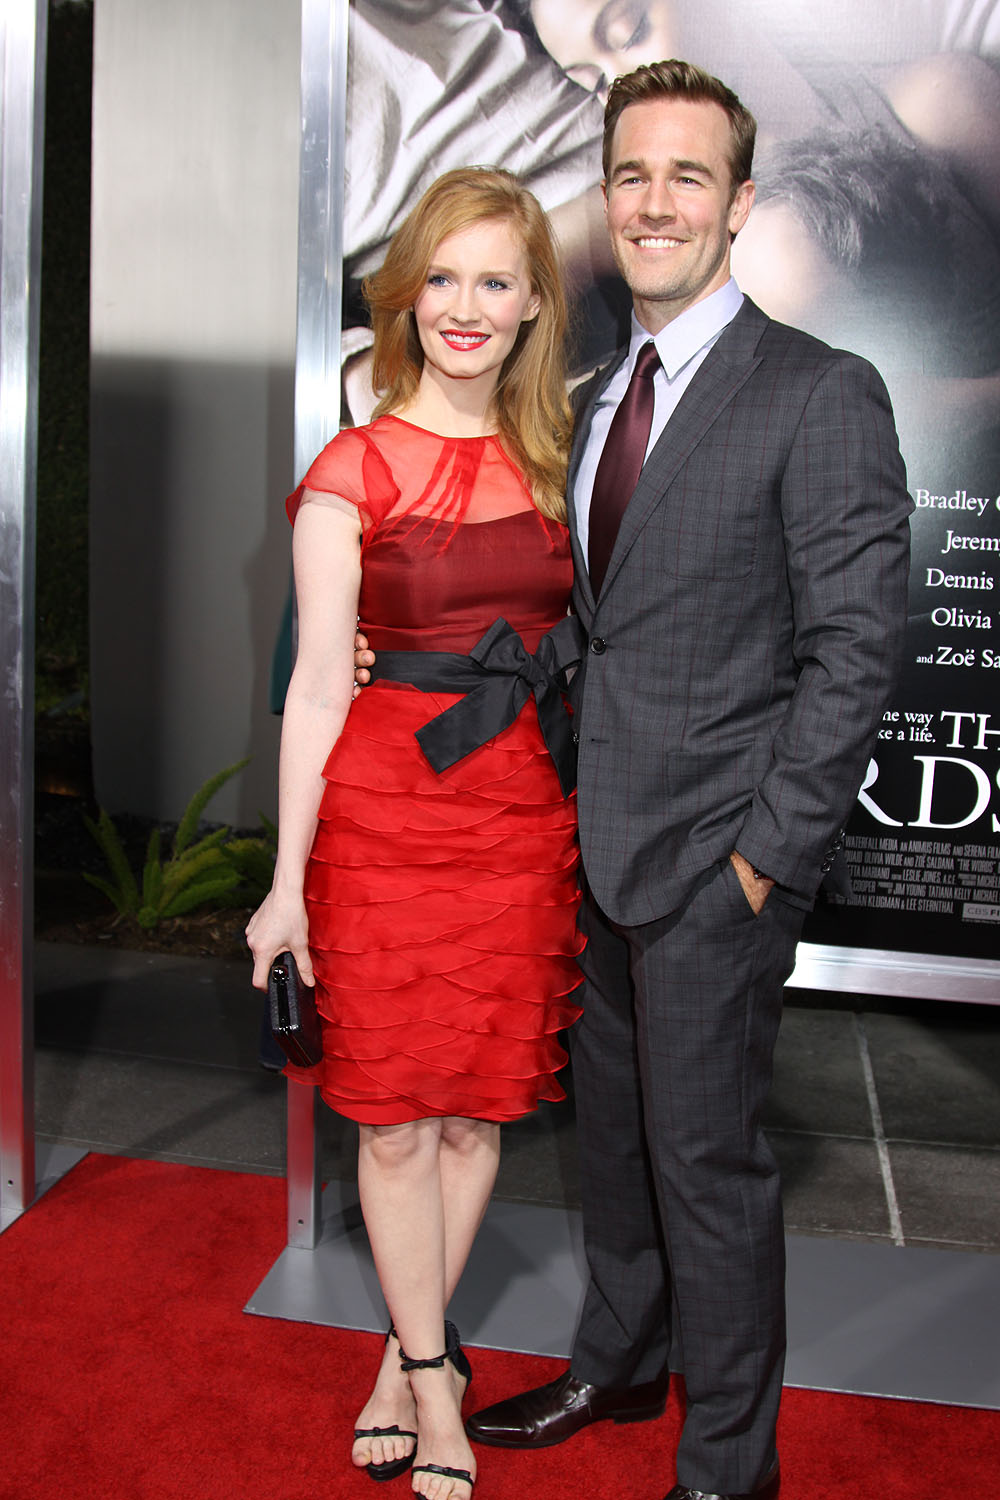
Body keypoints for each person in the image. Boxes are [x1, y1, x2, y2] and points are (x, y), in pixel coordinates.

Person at [355, 60, 913, 1499]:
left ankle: (731, 1462)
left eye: (687, 176)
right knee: (611, 1142)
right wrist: (401, 668)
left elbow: (858, 652)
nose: (654, 202)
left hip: (718, 864)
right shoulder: (594, 395)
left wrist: (763, 858)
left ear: (738, 203)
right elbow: (571, 620)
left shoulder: (820, 391)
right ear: (604, 197)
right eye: (632, 174)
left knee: (706, 1168)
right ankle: (621, 1358)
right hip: (583, 848)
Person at [247, 167, 585, 1500]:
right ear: (405, 299)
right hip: (384, 825)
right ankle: (438, 1378)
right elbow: (319, 685)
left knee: (478, 1112)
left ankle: (403, 1351)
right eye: (440, 276)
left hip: (518, 817)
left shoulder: (558, 457)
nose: (464, 304)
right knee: (392, 1120)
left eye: (494, 279)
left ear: (530, 306)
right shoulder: (353, 463)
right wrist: (285, 890)